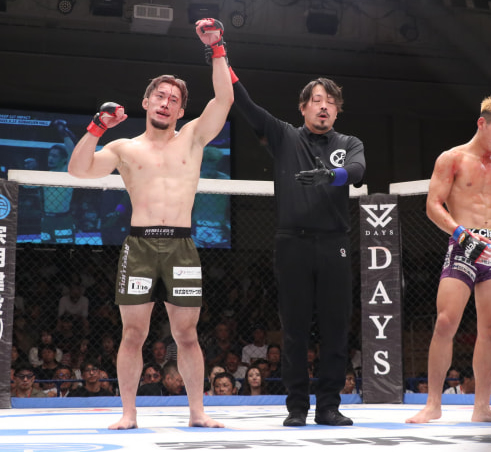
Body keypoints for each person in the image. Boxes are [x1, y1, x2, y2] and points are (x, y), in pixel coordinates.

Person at [67, 17, 233, 430]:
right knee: (132, 334)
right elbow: (78, 170)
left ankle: (197, 411)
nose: (166, 102)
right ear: (146, 102)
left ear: (181, 110)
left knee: (188, 335)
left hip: (181, 246)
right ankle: (128, 413)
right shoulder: (125, 148)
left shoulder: (193, 137)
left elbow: (224, 98)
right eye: (160, 95)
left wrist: (216, 48)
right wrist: (97, 128)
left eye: (174, 99)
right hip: (140, 246)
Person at [232, 72, 365, 427]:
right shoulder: (284, 135)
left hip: (334, 243)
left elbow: (357, 170)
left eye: (331, 102)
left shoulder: (349, 142)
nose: (324, 107)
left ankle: (329, 406)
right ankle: (297, 407)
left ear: (337, 111)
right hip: (292, 242)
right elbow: (245, 104)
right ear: (303, 107)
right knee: (294, 329)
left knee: (336, 328)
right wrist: (218, 54)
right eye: (317, 100)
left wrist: (331, 176)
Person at [406, 96, 491, 424]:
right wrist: (461, 234)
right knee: (445, 322)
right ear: (482, 123)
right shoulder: (452, 158)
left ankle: (482, 407)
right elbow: (433, 204)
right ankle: (433, 404)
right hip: (463, 243)